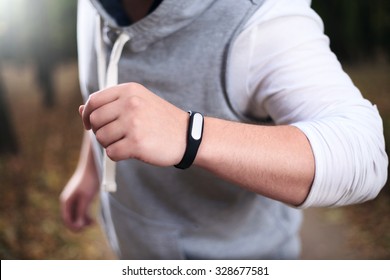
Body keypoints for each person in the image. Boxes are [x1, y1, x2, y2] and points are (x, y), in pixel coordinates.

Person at [60, 0, 388, 259]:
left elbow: (364, 154)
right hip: (134, 251)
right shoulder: (93, 5)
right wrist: (89, 169)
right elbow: (105, 84)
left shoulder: (263, 18)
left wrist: (189, 134)